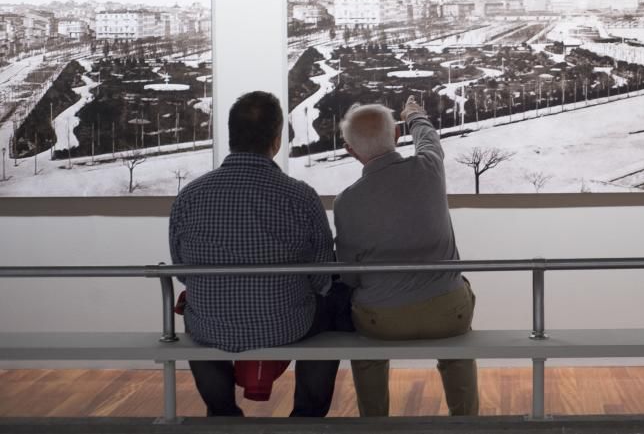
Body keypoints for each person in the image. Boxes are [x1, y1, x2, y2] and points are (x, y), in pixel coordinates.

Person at [169, 91, 352, 417]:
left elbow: (183, 270)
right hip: (288, 324)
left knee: (195, 320)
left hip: (212, 325)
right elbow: (323, 276)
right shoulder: (301, 197)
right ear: (277, 139)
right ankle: (306, 417)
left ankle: (222, 412)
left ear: (230, 135)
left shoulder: (190, 196)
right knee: (332, 306)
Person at [334, 96, 478, 417]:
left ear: (350, 150)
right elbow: (429, 140)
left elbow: (349, 274)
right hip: (448, 312)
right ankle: (468, 423)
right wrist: (415, 115)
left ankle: (375, 423)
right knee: (457, 350)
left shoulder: (346, 202)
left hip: (382, 320)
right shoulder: (428, 168)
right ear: (397, 134)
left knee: (368, 355)